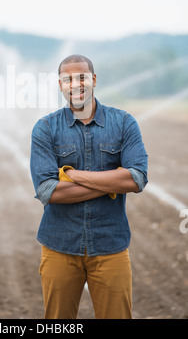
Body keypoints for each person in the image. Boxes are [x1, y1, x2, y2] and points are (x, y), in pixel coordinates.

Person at [30, 54, 148, 319]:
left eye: (81, 77)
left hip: (111, 246)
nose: (75, 84)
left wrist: (72, 175)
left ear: (93, 79)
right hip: (59, 246)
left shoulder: (124, 123)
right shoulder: (45, 128)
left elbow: (136, 178)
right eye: (67, 79)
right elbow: (48, 191)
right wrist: (113, 182)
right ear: (60, 85)